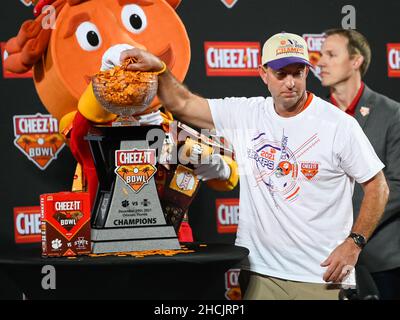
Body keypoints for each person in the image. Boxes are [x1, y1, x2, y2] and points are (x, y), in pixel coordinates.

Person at [118, 32, 389, 300]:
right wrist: (160, 69)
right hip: (261, 273)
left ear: (307, 72)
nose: (291, 83)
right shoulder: (247, 114)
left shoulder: (338, 125)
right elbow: (183, 103)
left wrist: (355, 243)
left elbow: (378, 186)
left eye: (298, 72)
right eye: (281, 74)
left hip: (319, 276)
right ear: (264, 74)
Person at [318, 28, 400, 300]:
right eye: (321, 54)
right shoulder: (314, 115)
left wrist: (353, 229)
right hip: (321, 258)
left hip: (378, 259)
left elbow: (396, 184)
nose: (321, 62)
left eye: (331, 54)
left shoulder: (391, 113)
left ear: (355, 62)